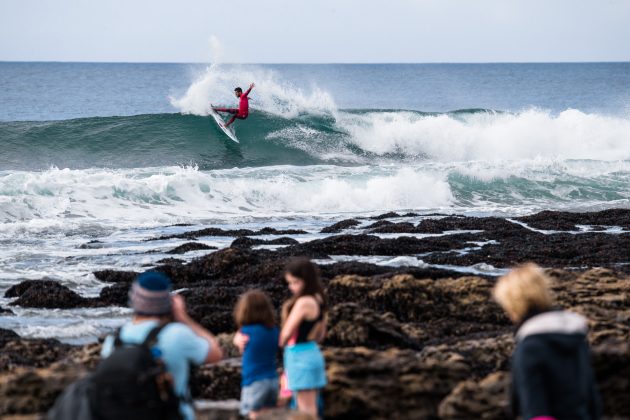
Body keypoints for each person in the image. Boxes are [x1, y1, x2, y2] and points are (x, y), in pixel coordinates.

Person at [100, 271, 223, 420]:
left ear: (133, 301)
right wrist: (183, 318)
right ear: (168, 303)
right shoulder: (177, 334)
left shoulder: (114, 341)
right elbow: (216, 354)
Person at [492, 263, 602, 420]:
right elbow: (593, 400)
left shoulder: (529, 349)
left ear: (514, 304)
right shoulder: (576, 338)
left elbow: (536, 412)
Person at [279, 258, 327, 418]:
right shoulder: (319, 299)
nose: (292, 287)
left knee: (305, 411)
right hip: (313, 352)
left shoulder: (304, 302)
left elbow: (286, 333)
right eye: (289, 283)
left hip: (299, 356)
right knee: (312, 406)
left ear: (306, 280)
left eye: (295, 282)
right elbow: (321, 335)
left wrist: (280, 343)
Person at [233, 290, 280, 419]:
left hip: (254, 381)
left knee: (253, 414)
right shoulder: (274, 331)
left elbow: (243, 348)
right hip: (273, 380)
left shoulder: (246, 331)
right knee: (268, 414)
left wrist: (236, 339)